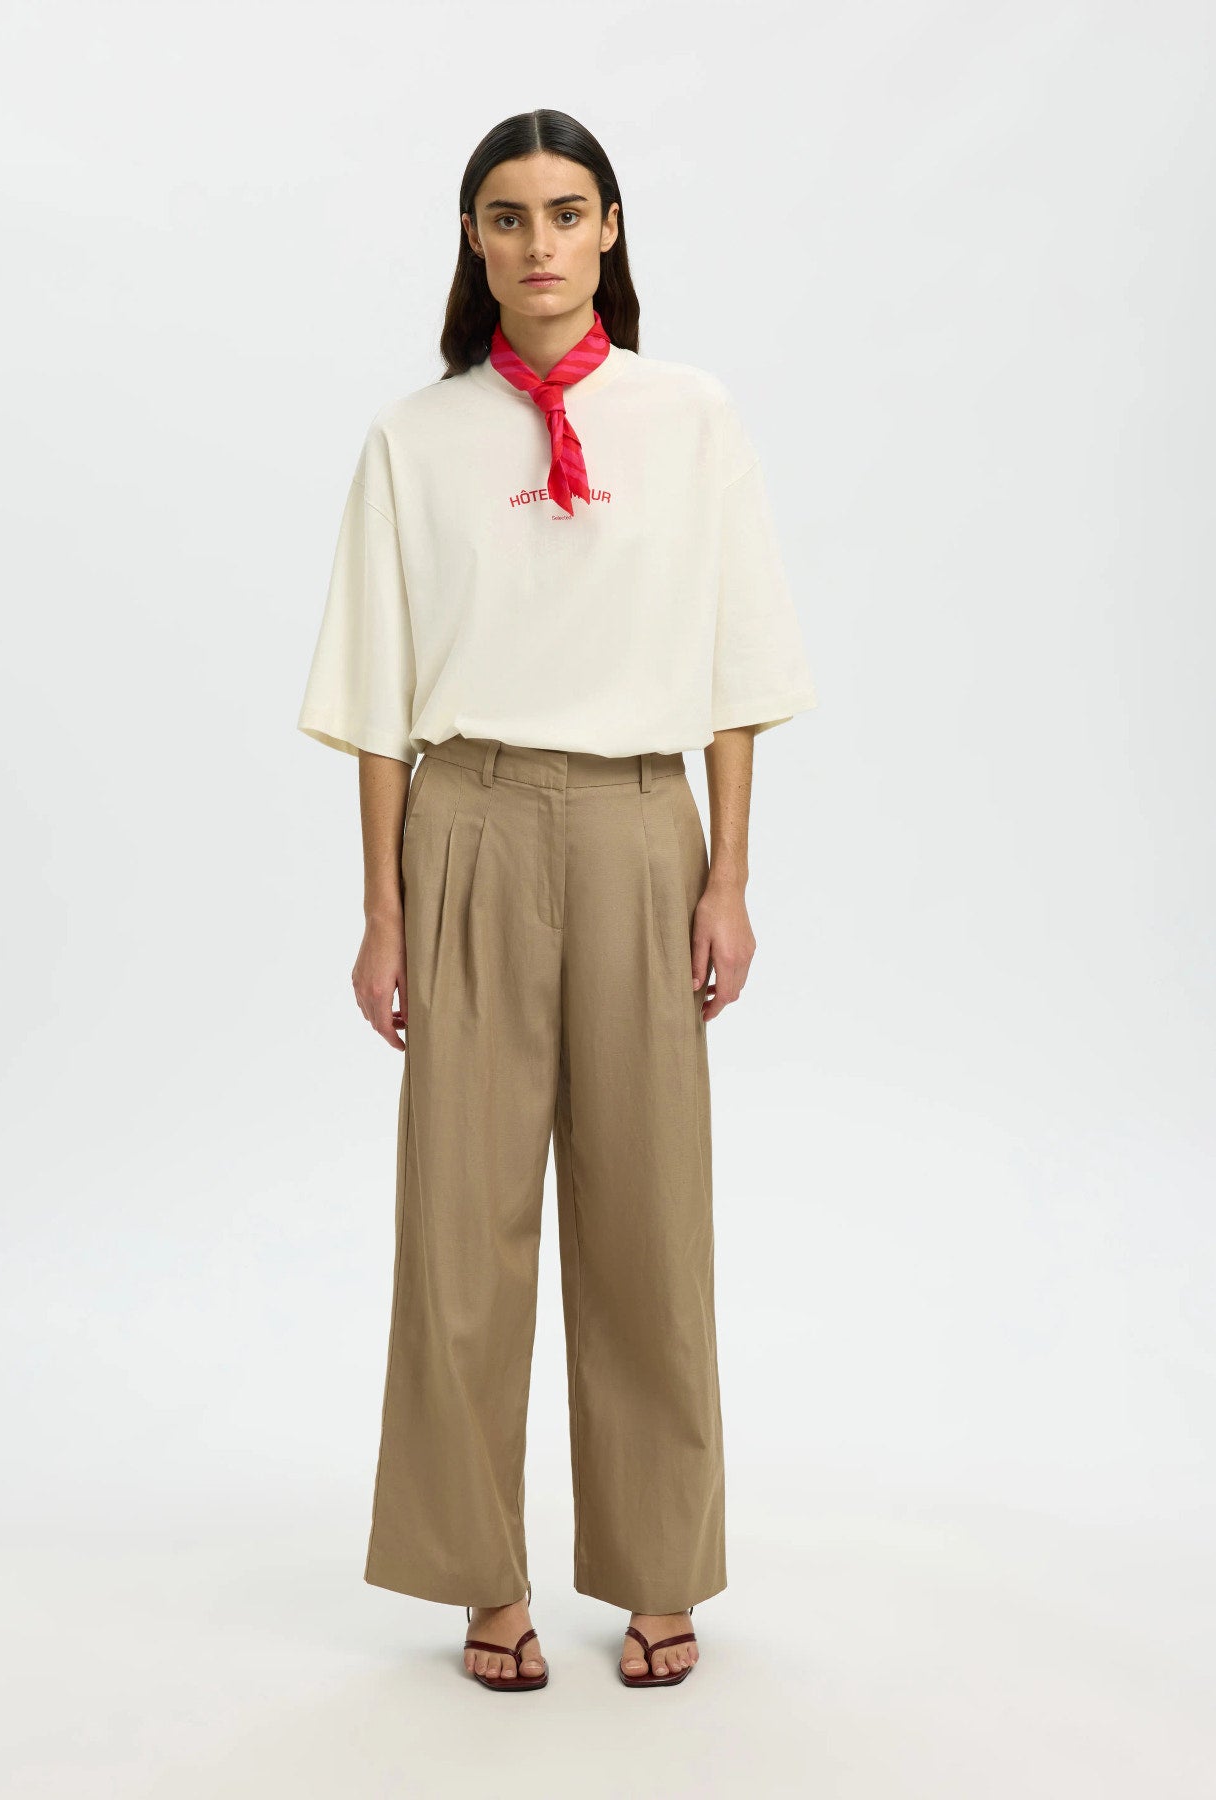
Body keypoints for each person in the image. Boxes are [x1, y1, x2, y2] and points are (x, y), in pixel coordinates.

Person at [296, 108, 819, 1691]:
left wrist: (728, 873)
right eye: (508, 216)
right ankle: (480, 1576)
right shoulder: (416, 437)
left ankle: (659, 1569)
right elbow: (378, 693)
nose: (539, 243)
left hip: (638, 827)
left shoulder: (689, 416)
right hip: (463, 820)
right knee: (462, 1230)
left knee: (648, 1217)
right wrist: (383, 911)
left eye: (567, 212)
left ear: (609, 231)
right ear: (473, 239)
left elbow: (733, 661)